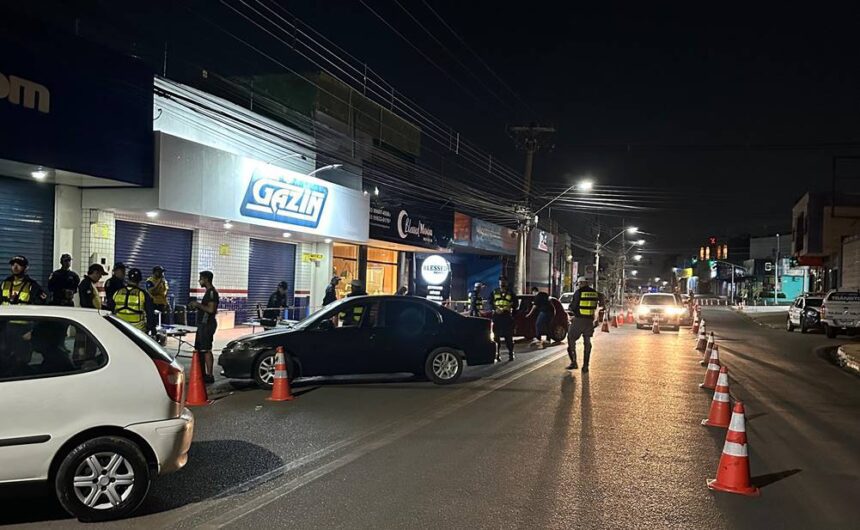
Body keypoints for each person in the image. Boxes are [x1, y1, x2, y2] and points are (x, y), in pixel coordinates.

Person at [0, 256, 48, 376]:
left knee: (21, 361)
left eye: (19, 264)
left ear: (26, 268)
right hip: (5, 329)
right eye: (13, 264)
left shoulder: (33, 286)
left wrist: (33, 331)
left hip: (23, 330)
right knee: (4, 359)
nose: (15, 267)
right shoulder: (5, 283)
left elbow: (41, 311)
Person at [566, 276, 606, 373]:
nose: (578, 285)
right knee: (587, 342)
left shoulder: (578, 292)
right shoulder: (595, 293)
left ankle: (574, 362)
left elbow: (573, 307)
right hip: (589, 322)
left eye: (579, 284)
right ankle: (585, 366)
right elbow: (603, 300)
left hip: (579, 320)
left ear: (581, 283)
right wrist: (601, 307)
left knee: (571, 339)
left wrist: (571, 310)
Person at [189, 271, 219, 383]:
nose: (199, 281)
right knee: (200, 349)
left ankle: (209, 375)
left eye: (201, 278)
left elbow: (211, 309)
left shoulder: (212, 293)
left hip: (207, 325)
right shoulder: (208, 292)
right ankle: (201, 373)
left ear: (206, 279)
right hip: (202, 324)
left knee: (206, 349)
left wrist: (197, 305)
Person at [112, 268, 156, 335]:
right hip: (137, 331)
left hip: (120, 327)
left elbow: (111, 308)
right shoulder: (143, 294)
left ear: (128, 278)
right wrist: (152, 329)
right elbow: (150, 313)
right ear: (139, 280)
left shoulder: (117, 292)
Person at [490, 277, 517, 362]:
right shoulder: (494, 292)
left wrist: (510, 307)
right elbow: (490, 303)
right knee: (496, 337)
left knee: (508, 337)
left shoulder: (511, 293)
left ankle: (511, 353)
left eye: (503, 282)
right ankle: (497, 355)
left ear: (506, 283)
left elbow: (516, 304)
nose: (502, 284)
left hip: (506, 317)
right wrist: (495, 309)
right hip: (497, 317)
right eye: (500, 282)